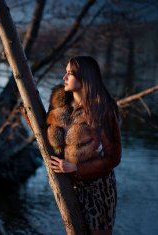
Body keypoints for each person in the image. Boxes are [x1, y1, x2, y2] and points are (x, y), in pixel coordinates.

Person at [48, 56, 122, 235]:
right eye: (65, 72)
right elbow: (47, 133)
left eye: (70, 73)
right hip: (69, 187)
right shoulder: (60, 104)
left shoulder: (102, 110)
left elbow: (114, 157)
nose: (64, 77)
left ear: (84, 77)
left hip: (97, 190)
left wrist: (76, 167)